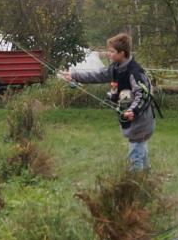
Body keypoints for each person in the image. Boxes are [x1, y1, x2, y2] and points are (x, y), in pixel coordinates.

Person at [61, 32, 156, 170]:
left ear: (122, 53)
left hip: (141, 119)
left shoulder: (135, 72)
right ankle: (147, 180)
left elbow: (144, 94)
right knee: (140, 148)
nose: (108, 54)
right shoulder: (115, 68)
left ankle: (135, 185)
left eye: (111, 51)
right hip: (132, 118)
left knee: (135, 154)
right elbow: (98, 75)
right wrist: (74, 75)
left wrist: (133, 110)